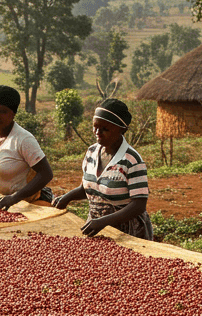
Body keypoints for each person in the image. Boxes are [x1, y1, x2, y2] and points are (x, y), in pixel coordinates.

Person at [52, 98, 152, 240]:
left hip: (127, 232)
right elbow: (89, 188)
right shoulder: (91, 152)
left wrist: (104, 221)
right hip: (97, 227)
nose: (97, 132)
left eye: (105, 129)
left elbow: (139, 205)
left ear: (122, 129)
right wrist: (66, 198)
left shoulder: (132, 160)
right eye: (95, 127)